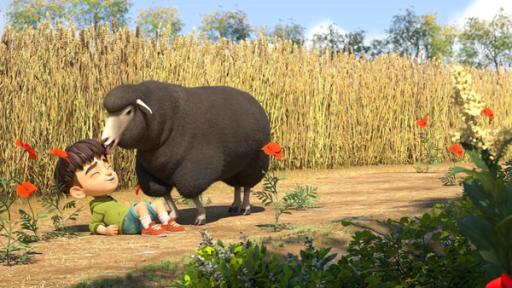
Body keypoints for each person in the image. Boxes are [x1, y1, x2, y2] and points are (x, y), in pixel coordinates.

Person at [53, 138, 185, 236]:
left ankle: (166, 222)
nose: (109, 172)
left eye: (107, 166)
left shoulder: (108, 200)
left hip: (132, 218)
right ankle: (148, 228)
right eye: (96, 173)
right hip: (125, 224)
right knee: (140, 206)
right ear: (78, 192)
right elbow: (93, 225)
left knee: (157, 202)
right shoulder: (98, 207)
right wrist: (106, 230)